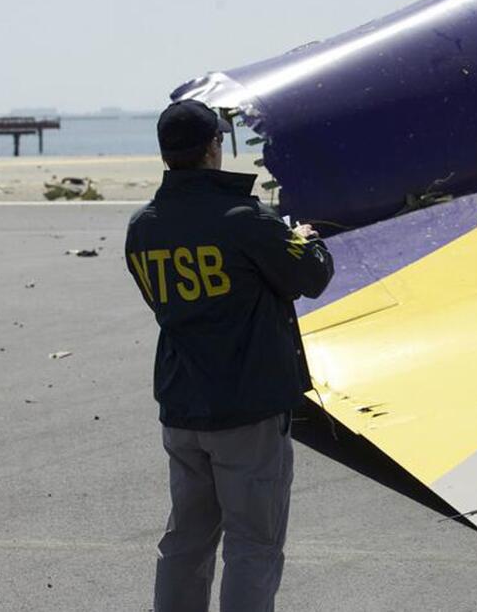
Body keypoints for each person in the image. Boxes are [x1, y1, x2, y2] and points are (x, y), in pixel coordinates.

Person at [125, 99, 334, 612]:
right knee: (253, 546)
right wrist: (305, 238)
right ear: (213, 148)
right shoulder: (245, 219)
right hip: (245, 408)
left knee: (185, 543)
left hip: (182, 406)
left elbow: (164, 302)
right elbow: (311, 276)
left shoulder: (143, 227)